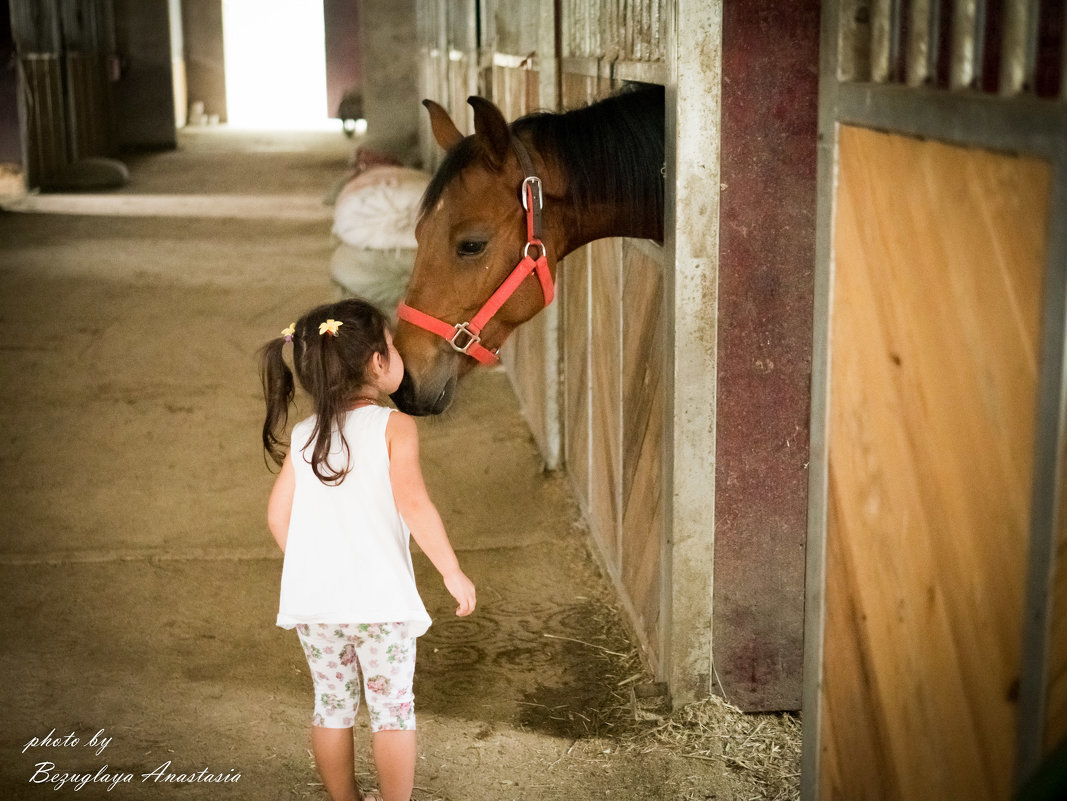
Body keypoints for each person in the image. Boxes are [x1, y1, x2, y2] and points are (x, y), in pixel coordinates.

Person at [260, 298, 476, 801]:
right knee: (392, 709)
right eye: (394, 347)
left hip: (316, 605)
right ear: (380, 363)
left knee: (331, 705)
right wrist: (451, 571)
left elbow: (277, 516)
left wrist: (314, 566)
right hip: (381, 605)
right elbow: (415, 504)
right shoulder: (394, 426)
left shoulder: (303, 434)